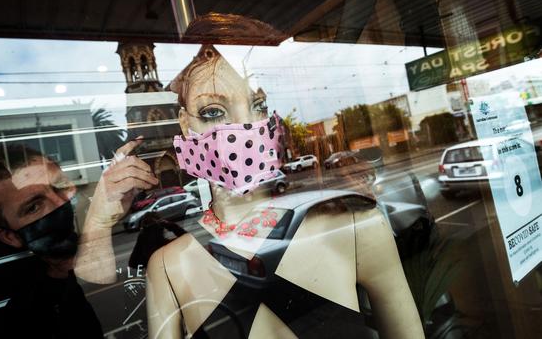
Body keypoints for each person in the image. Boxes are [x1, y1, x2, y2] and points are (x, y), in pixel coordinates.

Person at [144, 44, 425, 339]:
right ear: (187, 127)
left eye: (259, 106)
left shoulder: (356, 228)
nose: (245, 126)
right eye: (213, 111)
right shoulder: (168, 267)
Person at [0, 139, 158, 338]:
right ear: (10, 237)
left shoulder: (138, 240)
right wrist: (96, 225)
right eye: (34, 207)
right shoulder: (27, 315)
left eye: (61, 186)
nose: (61, 204)